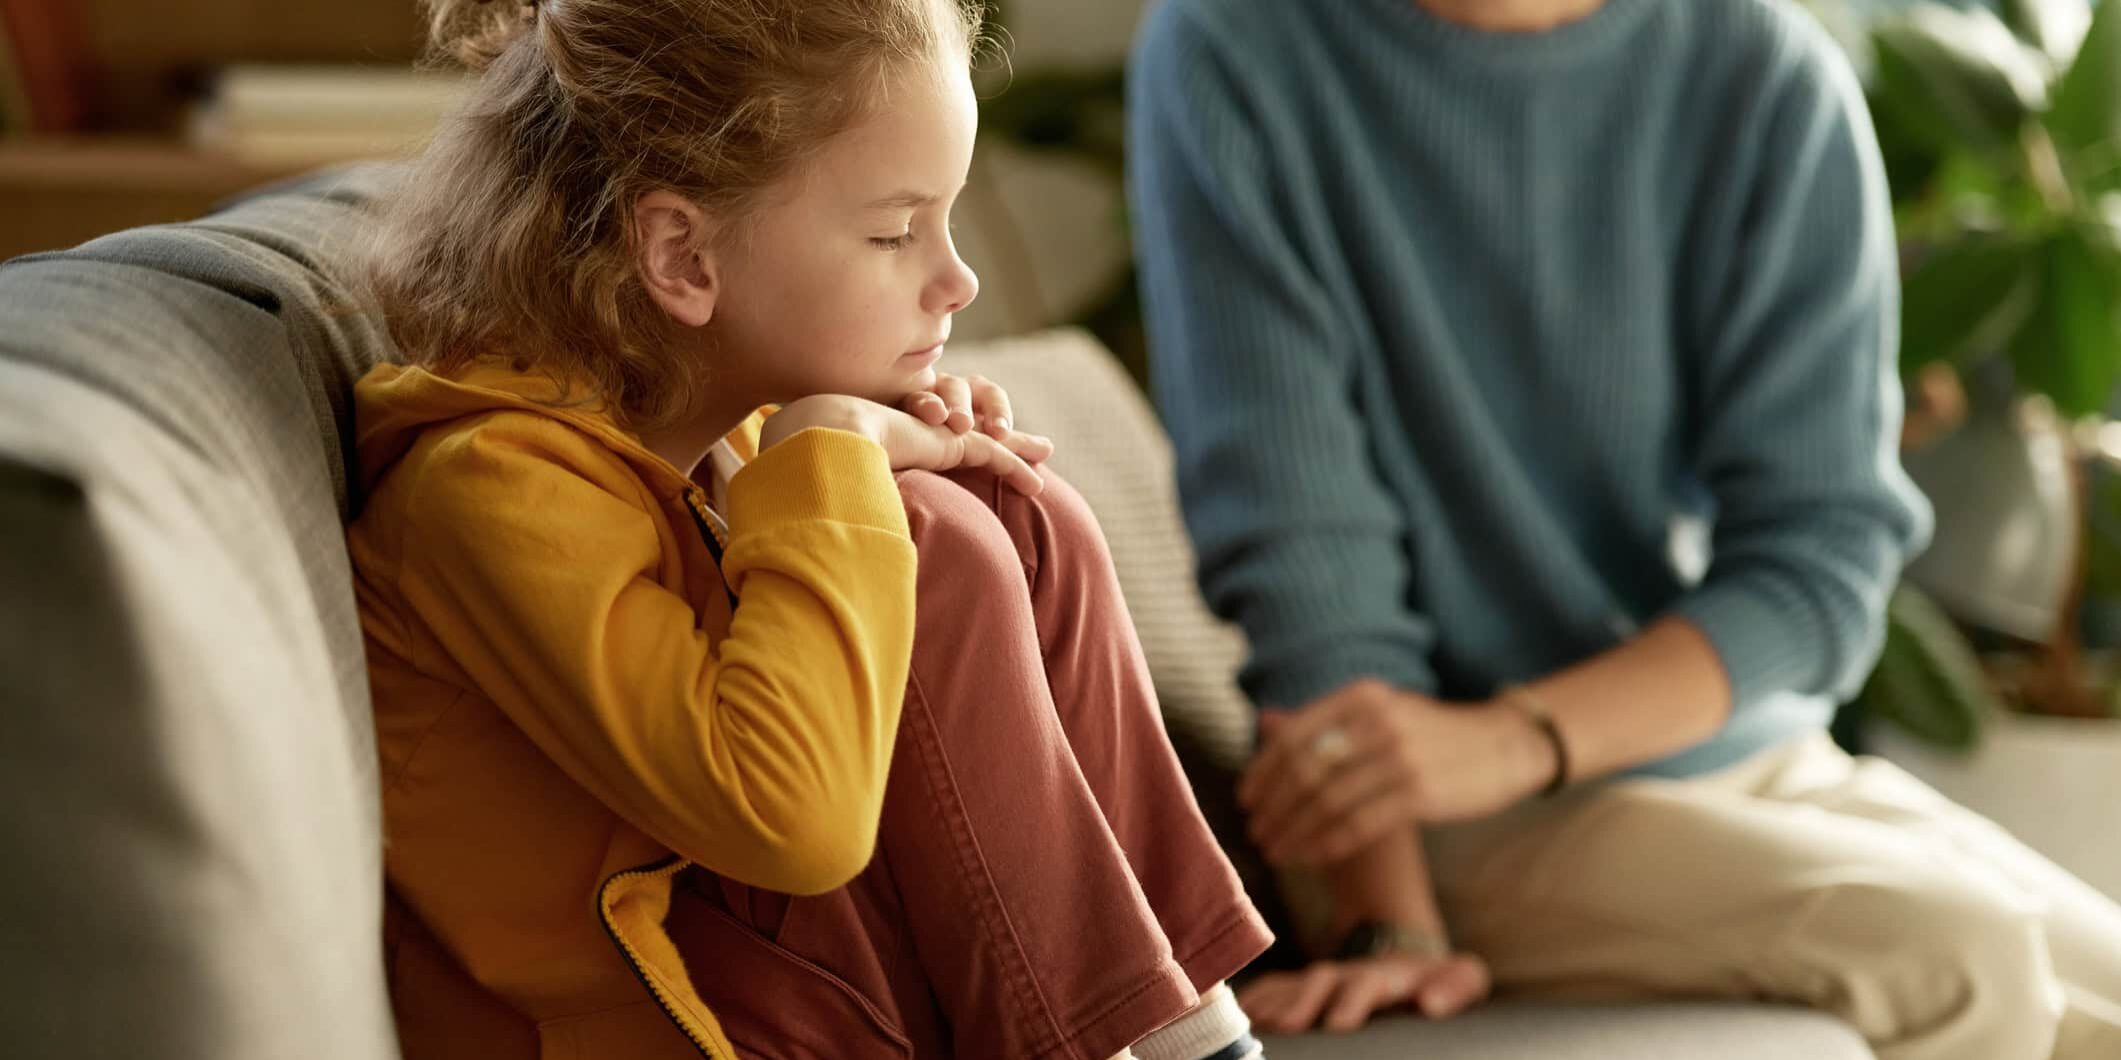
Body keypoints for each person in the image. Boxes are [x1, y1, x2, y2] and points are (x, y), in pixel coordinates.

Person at [1127, 0, 2121, 1056]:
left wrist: (1519, 739)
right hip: (1437, 815)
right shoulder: (1236, 46)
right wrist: (1390, 918)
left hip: (1719, 750)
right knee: (1961, 955)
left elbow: (1820, 556)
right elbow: (1306, 564)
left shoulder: (1764, 71)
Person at [347, 0, 1275, 1057]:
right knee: (932, 542)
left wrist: (860, 459)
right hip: (671, 1026)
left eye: (948, 220)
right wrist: (827, 453)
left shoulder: (702, 436)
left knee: (1005, 510)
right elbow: (793, 822)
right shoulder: (487, 491)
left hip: (777, 979)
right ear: (682, 258)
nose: (956, 279)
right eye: (894, 231)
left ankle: (1185, 1029)